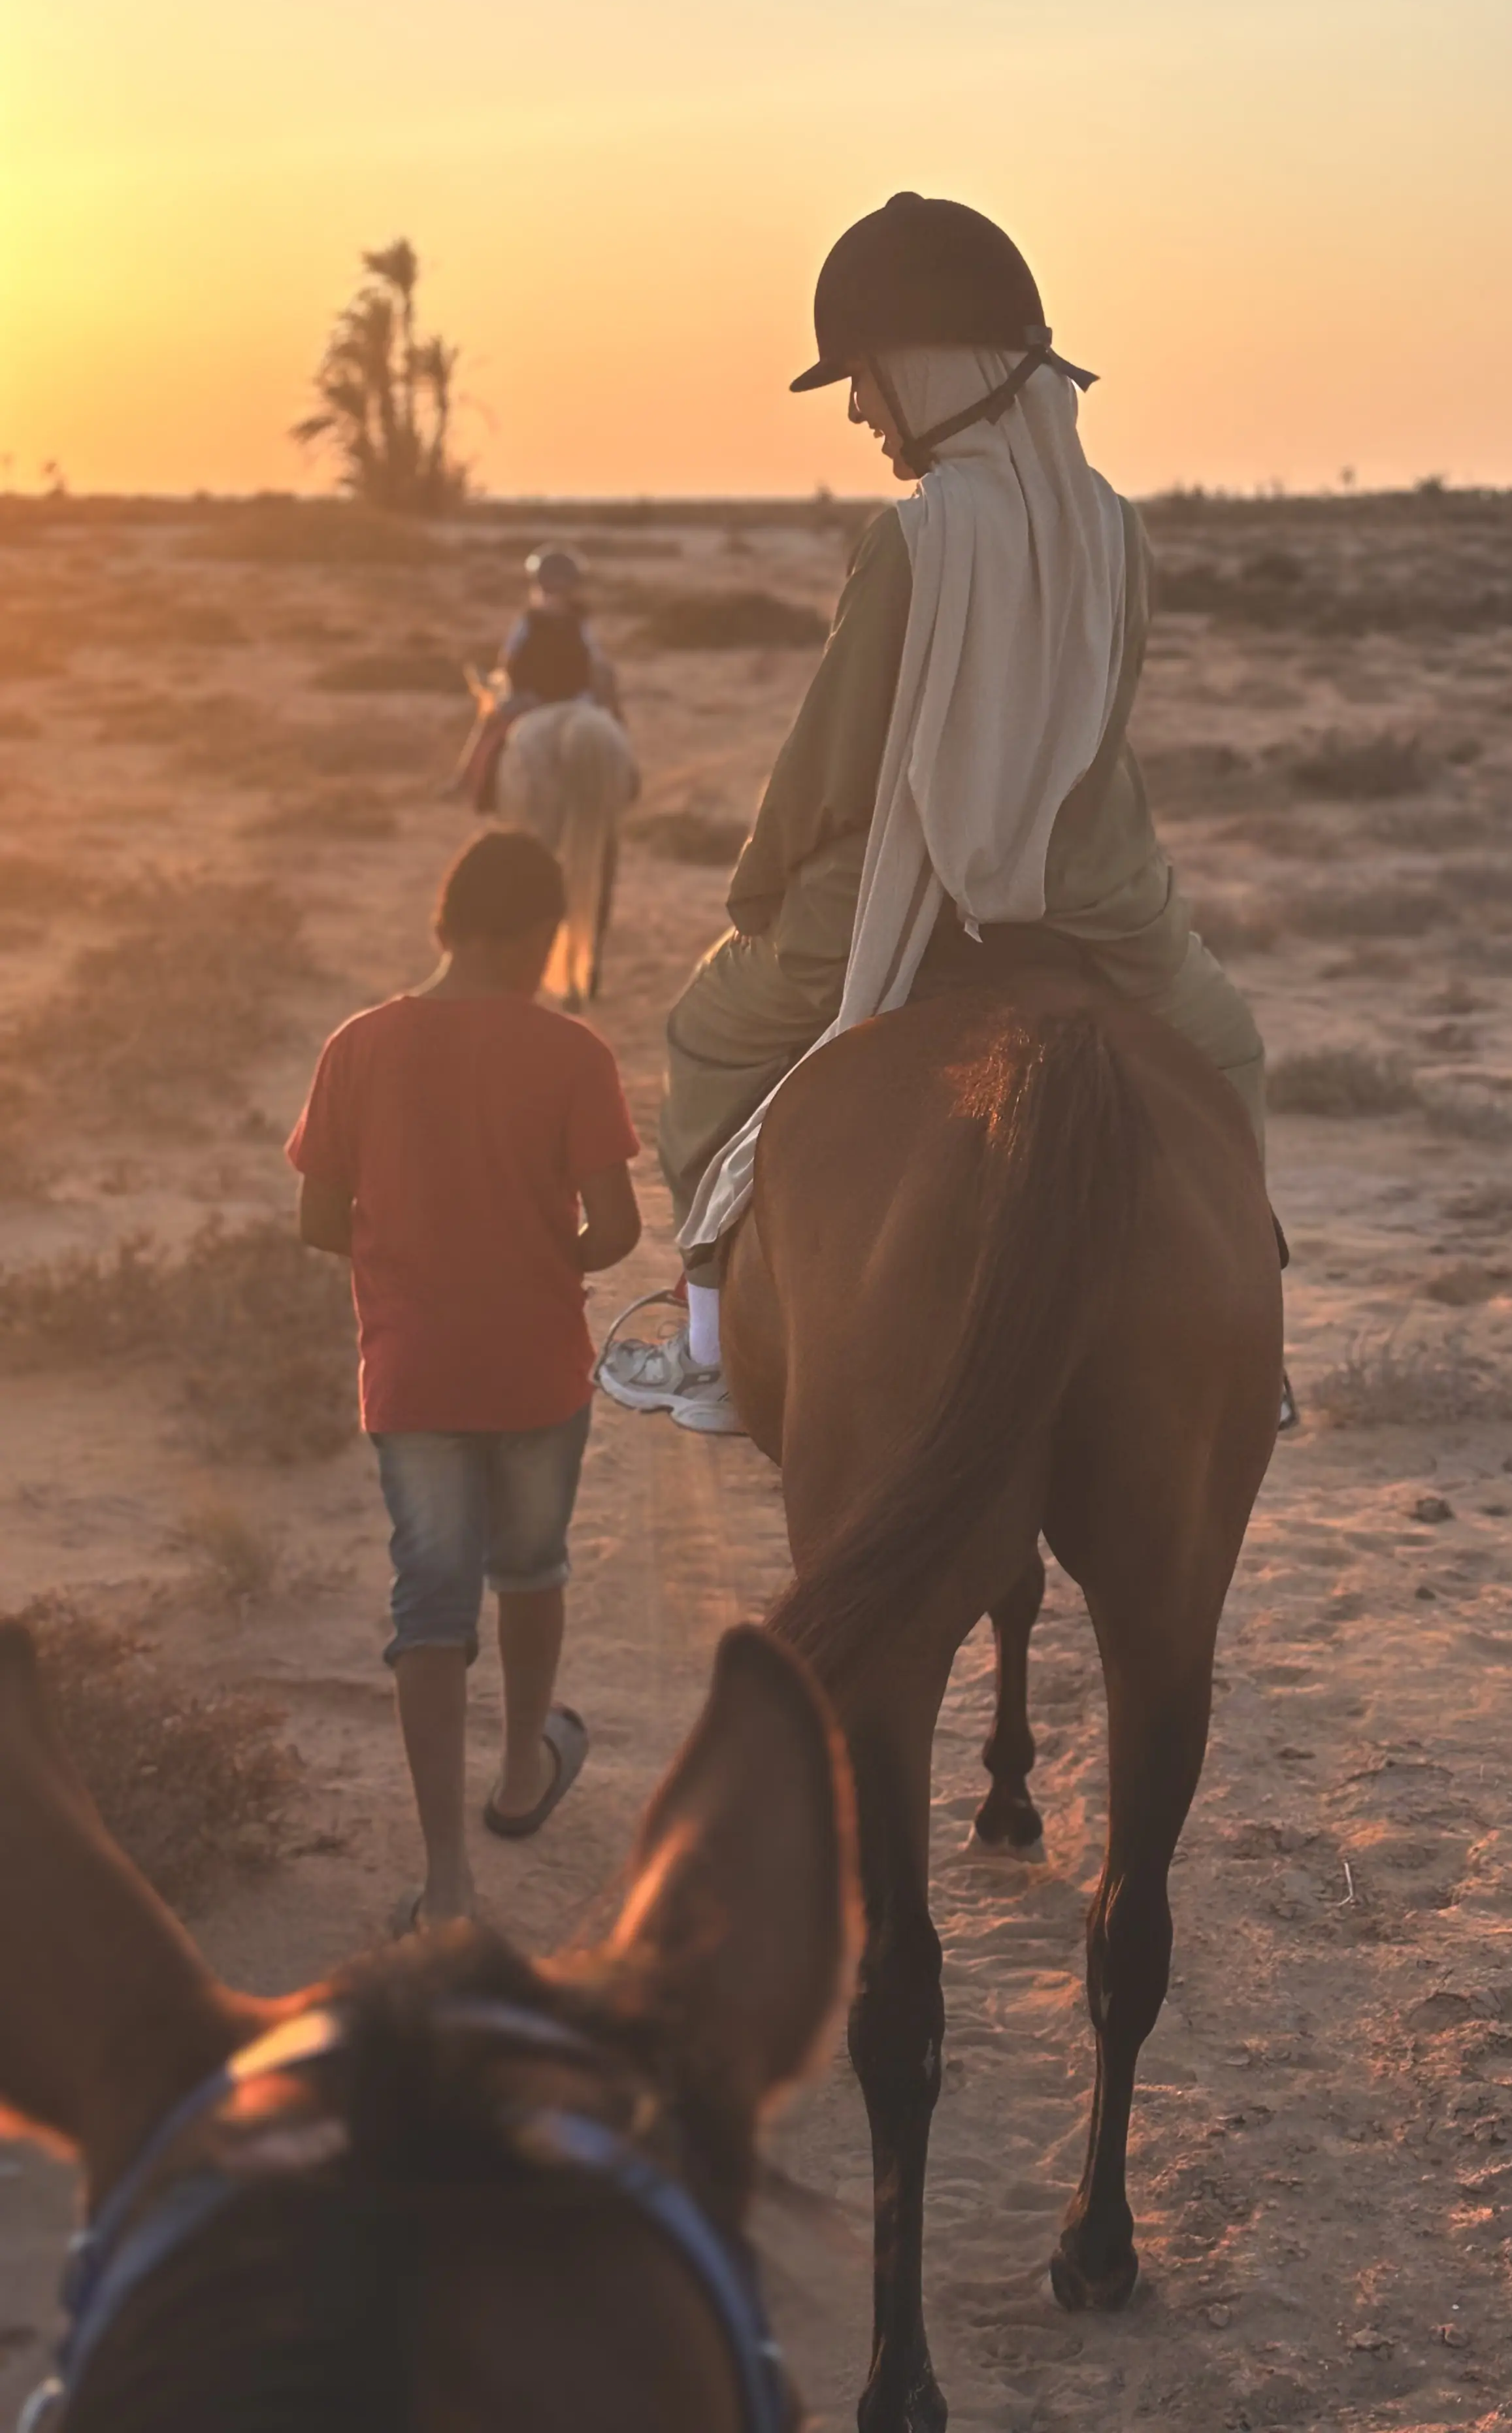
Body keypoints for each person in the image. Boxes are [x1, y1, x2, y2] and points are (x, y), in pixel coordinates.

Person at [627, 192, 1266, 1436]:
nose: (862, 410)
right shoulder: (1115, 530)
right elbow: (1104, 711)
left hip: (896, 883)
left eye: (865, 379)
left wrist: (764, 884)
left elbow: (834, 757)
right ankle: (1252, 1348)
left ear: (930, 368)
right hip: (1093, 887)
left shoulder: (913, 539)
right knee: (1224, 1049)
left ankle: (706, 1342)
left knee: (708, 1033)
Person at [288, 828, 643, 1925]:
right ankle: (524, 1774)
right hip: (537, 1364)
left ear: (446, 922)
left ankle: (445, 1880)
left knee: (428, 1606)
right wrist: (544, 1251)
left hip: (413, 1370)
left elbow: (317, 1220)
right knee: (530, 1564)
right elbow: (620, 1228)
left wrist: (418, 1259)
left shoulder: (355, 1045)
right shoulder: (573, 1053)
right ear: (536, 933)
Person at [455, 547, 625, 813]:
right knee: (612, 727)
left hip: (531, 700)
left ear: (537, 586)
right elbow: (596, 664)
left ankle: (469, 781)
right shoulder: (580, 623)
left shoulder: (528, 622)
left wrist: (516, 688)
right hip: (578, 699)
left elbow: (508, 659)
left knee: (491, 728)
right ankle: (625, 776)